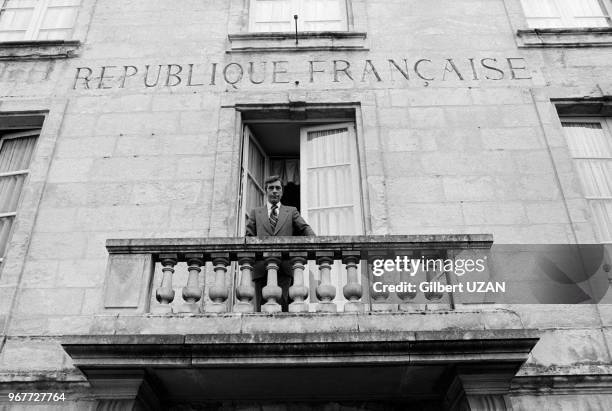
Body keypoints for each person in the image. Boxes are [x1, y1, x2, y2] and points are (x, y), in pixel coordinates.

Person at [245, 175, 315, 311]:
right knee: (260, 307)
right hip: (261, 267)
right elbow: (249, 237)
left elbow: (304, 228)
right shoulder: (256, 212)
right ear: (266, 191)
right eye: (271, 188)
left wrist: (316, 241)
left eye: (278, 188)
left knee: (282, 306)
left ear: (282, 191)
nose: (275, 191)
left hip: (284, 266)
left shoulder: (291, 211)